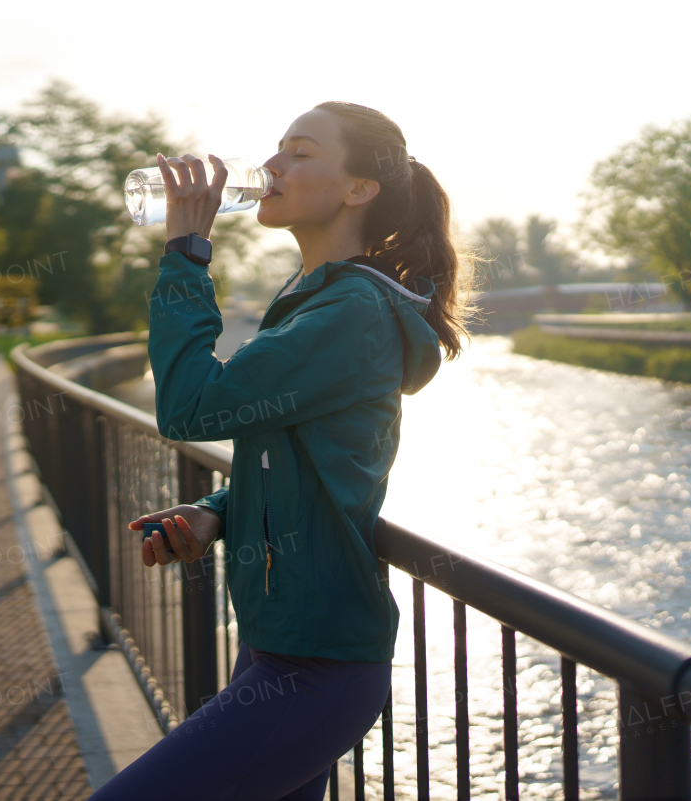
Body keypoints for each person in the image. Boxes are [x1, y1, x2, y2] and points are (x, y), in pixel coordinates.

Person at [87, 102, 470, 800]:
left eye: (300, 151)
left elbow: (187, 408)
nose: (272, 167)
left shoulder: (349, 313)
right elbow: (303, 461)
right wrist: (217, 511)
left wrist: (186, 252)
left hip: (317, 667)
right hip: (275, 646)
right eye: (278, 148)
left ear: (359, 190)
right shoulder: (316, 299)